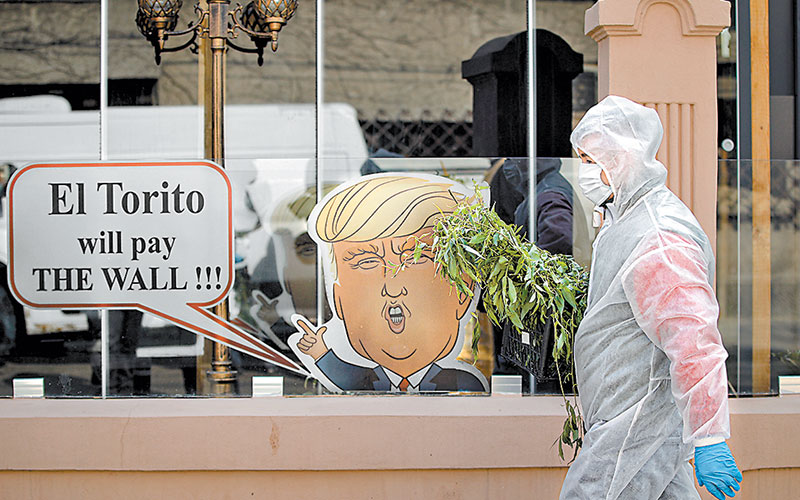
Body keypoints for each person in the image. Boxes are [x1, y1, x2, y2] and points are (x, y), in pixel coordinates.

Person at [560, 95, 742, 500]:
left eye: (590, 160)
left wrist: (709, 436)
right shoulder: (624, 218)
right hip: (629, 414)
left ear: (622, 158)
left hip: (636, 423)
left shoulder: (659, 237)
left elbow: (693, 339)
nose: (583, 171)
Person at [289, 174, 488, 393]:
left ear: (464, 292)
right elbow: (344, 375)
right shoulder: (364, 381)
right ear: (339, 299)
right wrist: (320, 352)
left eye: (414, 259)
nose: (393, 289)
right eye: (368, 262)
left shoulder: (463, 384)